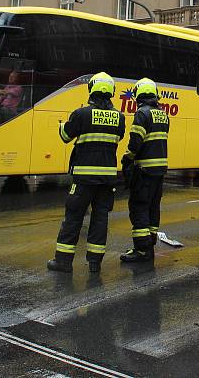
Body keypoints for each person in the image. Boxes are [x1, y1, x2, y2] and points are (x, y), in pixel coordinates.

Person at [47, 72, 125, 274]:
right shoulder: (120, 118)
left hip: (83, 179)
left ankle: (63, 262)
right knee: (100, 220)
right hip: (107, 180)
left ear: (92, 89)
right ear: (111, 92)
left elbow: (65, 136)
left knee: (73, 218)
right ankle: (94, 264)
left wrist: (61, 125)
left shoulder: (81, 114)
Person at [120, 78, 169, 263]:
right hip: (159, 171)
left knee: (139, 208)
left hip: (145, 171)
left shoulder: (142, 113)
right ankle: (150, 246)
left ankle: (142, 250)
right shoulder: (163, 114)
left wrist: (127, 158)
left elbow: (135, 141)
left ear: (138, 95)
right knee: (153, 208)